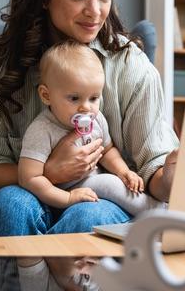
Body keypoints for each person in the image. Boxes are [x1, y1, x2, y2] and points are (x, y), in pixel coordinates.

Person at [0, 0, 179, 237]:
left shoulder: (131, 65)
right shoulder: (1, 71)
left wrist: (173, 172)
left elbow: (153, 169)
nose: (95, 12)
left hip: (101, 198)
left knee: (89, 215)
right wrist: (47, 173)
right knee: (10, 206)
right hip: (26, 194)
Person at [18, 40, 164, 215]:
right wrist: (67, 198)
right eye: (74, 98)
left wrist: (124, 171)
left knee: (116, 182)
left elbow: (107, 151)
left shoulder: (97, 119)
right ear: (46, 95)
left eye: (94, 98)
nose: (86, 108)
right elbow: (29, 178)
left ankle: (154, 212)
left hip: (93, 188)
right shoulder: (41, 130)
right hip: (63, 193)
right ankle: (157, 213)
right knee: (109, 184)